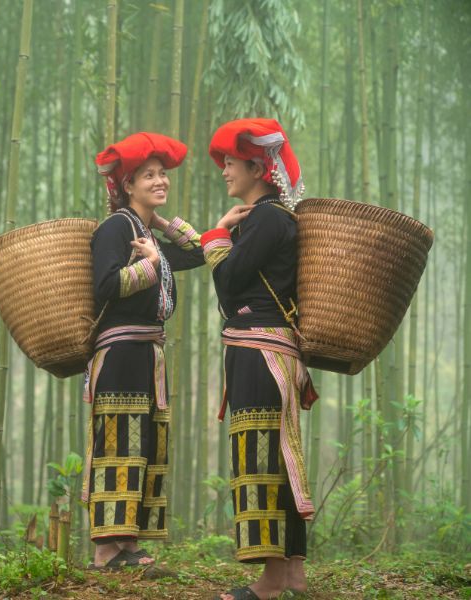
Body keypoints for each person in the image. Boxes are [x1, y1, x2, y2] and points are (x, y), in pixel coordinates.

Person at [83, 132, 248, 570]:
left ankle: (128, 543)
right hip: (119, 353)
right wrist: (150, 265)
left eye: (162, 174)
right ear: (127, 186)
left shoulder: (140, 228)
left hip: (146, 353)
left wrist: (164, 226)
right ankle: (105, 549)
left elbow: (195, 253)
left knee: (145, 440)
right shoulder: (115, 227)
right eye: (148, 176)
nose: (160, 181)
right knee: (118, 440)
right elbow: (105, 286)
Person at [199, 118, 317, 600]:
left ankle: (268, 580)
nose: (225, 170)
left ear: (258, 167)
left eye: (231, 162)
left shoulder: (267, 218)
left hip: (259, 353)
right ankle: (291, 573)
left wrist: (216, 234)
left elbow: (229, 285)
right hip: (273, 351)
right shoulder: (272, 219)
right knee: (281, 455)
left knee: (261, 458)